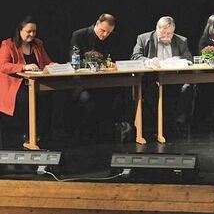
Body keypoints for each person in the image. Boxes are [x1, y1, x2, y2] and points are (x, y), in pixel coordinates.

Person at [67, 13, 131, 141]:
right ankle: (85, 134)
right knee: (87, 100)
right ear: (96, 24)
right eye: (102, 30)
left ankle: (117, 131)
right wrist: (98, 63)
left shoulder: (113, 38)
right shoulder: (79, 35)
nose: (105, 35)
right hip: (83, 83)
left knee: (122, 96)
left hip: (106, 82)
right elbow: (74, 61)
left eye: (108, 32)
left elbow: (118, 60)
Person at [131, 16, 194, 137]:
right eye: (163, 33)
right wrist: (148, 61)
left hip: (174, 79)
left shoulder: (181, 40)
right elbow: (135, 56)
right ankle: (164, 125)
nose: (166, 36)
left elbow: (189, 58)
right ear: (156, 29)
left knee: (188, 87)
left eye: (169, 33)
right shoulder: (144, 38)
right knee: (152, 91)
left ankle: (176, 122)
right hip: (152, 79)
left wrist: (178, 58)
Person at [0, 16, 55, 147]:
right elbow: (3, 65)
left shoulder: (38, 44)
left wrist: (55, 66)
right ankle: (26, 135)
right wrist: (23, 67)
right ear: (19, 31)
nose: (32, 35)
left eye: (34, 31)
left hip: (35, 84)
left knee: (48, 97)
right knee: (25, 100)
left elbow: (47, 62)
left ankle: (39, 135)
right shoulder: (8, 44)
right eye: (28, 32)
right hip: (14, 85)